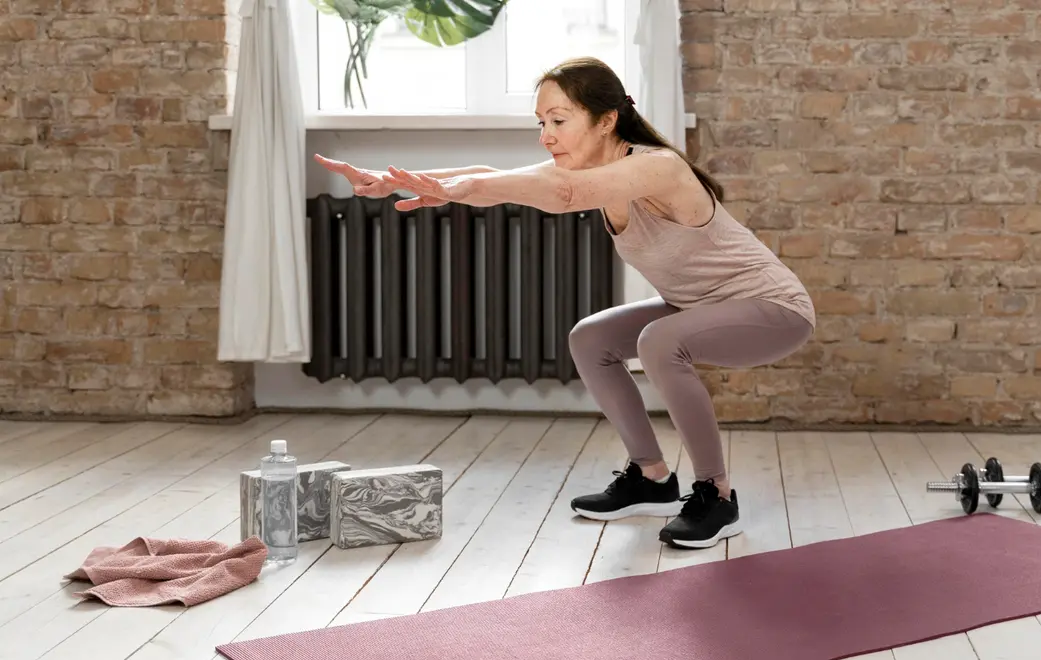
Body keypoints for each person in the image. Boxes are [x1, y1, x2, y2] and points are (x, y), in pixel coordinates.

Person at [315, 57, 816, 550]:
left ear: (606, 120)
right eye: (541, 122)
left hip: (773, 309)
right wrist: (392, 179)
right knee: (591, 338)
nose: (545, 135)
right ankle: (651, 478)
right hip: (696, 308)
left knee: (659, 340)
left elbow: (562, 191)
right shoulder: (599, 172)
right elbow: (497, 176)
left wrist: (454, 189)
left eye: (559, 120)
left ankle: (716, 495)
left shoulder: (657, 168)